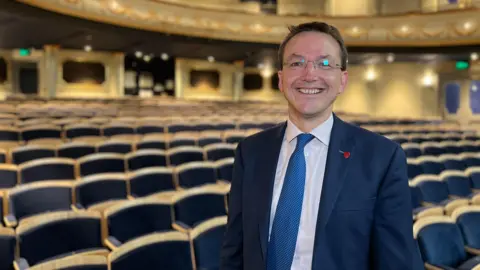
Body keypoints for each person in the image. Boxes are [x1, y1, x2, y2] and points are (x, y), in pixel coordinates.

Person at [220, 21, 422, 270]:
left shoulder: (382, 158)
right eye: (296, 63)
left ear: (342, 81)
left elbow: (398, 262)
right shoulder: (250, 152)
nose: (309, 74)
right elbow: (235, 250)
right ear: (281, 80)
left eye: (325, 63)